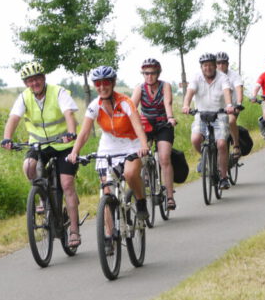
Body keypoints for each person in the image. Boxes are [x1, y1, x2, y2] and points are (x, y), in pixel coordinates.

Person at [1, 61, 81, 247]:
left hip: (63, 146)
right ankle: (44, 199)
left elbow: (69, 114)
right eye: (30, 80)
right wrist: (7, 138)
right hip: (39, 145)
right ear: (26, 83)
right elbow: (14, 118)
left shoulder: (58, 92)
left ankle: (75, 232)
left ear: (44, 78)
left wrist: (70, 134)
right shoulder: (24, 97)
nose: (34, 83)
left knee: (67, 184)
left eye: (37, 78)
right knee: (28, 166)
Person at [67, 66, 150, 225]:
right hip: (109, 144)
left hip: (131, 143)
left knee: (130, 174)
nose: (102, 87)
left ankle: (140, 201)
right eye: (98, 83)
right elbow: (84, 133)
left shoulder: (125, 102)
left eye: (105, 82)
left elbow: (138, 126)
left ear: (113, 83)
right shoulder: (94, 105)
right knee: (106, 191)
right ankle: (108, 237)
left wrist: (144, 145)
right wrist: (74, 152)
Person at [182, 53, 235, 190]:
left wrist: (229, 105)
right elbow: (190, 92)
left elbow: (227, 92)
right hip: (201, 115)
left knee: (222, 144)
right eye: (205, 65)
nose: (208, 68)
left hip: (219, 115)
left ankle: (223, 177)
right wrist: (186, 105)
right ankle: (204, 158)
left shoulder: (223, 78)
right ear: (201, 67)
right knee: (195, 139)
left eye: (211, 65)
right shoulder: (196, 77)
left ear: (215, 66)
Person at [131, 58, 177, 211]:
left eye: (152, 73)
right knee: (142, 153)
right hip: (146, 125)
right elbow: (131, 107)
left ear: (158, 73)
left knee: (164, 158)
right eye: (146, 74)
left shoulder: (165, 86)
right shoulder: (140, 88)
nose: (149, 77)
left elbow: (167, 103)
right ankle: (145, 175)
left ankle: (170, 196)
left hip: (164, 124)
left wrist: (170, 118)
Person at [215, 52, 245, 159]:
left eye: (223, 63)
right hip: (216, 108)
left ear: (227, 64)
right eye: (218, 63)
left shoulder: (234, 76)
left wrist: (239, 103)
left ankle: (236, 145)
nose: (220, 65)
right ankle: (207, 154)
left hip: (232, 107)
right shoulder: (212, 76)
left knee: (231, 120)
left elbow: (238, 89)